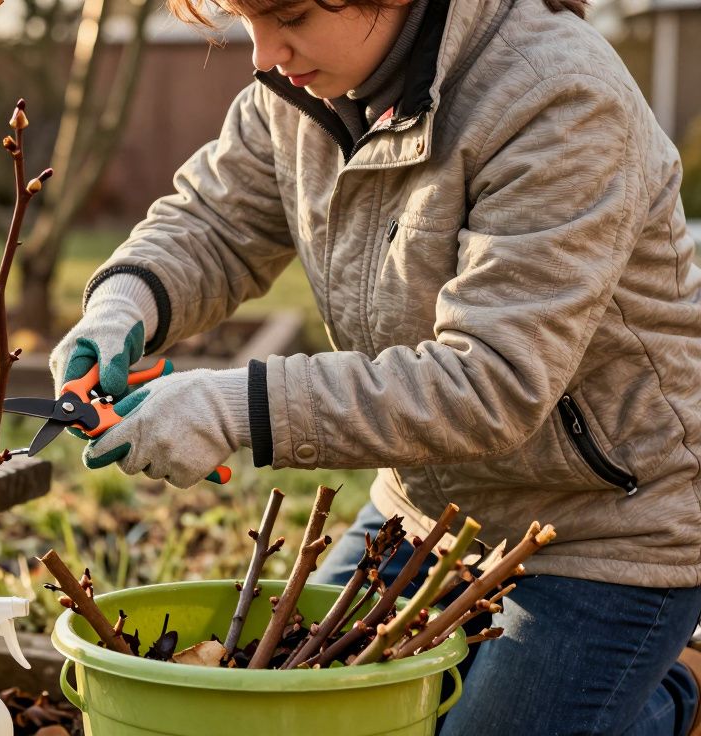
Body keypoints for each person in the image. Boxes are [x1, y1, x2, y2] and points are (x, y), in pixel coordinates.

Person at [46, 0, 701, 733]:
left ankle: (671, 693)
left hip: (608, 519)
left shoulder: (556, 97)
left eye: (287, 14)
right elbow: (216, 223)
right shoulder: (299, 90)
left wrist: (235, 407)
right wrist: (125, 305)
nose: (264, 54)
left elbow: (490, 384)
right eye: (246, 19)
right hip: (430, 505)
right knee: (308, 710)